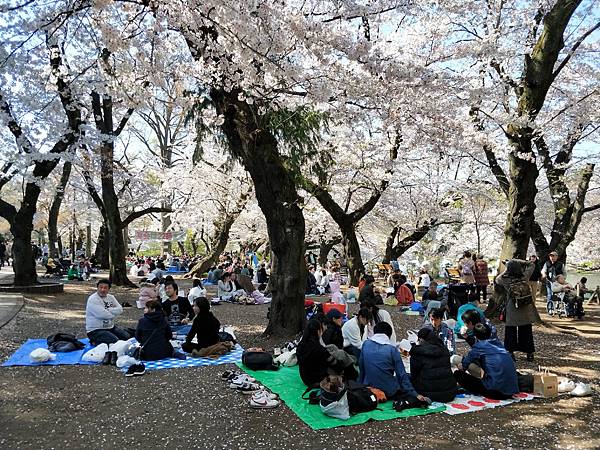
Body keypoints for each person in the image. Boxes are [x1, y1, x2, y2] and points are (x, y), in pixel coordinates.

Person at [359, 322, 426, 402]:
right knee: (409, 377)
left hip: (369, 388)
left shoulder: (366, 344)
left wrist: (361, 387)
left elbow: (361, 368)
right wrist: (415, 394)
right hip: (389, 391)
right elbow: (401, 375)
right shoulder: (392, 349)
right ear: (389, 335)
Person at [454, 323, 519, 400]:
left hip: (494, 391)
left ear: (475, 336)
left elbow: (464, 365)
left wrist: (459, 365)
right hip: (511, 390)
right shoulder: (498, 343)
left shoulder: (479, 347)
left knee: (458, 374)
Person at [496, 259, 538, 361]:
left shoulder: (505, 280)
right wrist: (519, 261)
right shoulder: (524, 277)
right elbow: (532, 264)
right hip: (525, 307)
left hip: (512, 307)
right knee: (526, 330)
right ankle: (529, 353)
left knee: (511, 330)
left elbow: (497, 279)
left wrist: (507, 266)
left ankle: (510, 352)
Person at [296, 318, 351, 387]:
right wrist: (342, 370)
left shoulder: (301, 345)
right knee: (338, 367)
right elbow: (333, 363)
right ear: (318, 331)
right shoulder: (318, 348)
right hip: (315, 380)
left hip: (304, 377)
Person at [410, 328, 457, 402]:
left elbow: (414, 374)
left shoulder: (418, 351)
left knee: (406, 378)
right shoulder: (444, 349)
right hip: (449, 392)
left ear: (421, 339)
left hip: (428, 393)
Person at [85, 279, 131, 345]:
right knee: (115, 341)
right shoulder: (93, 299)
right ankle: (94, 341)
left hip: (110, 327)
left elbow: (120, 309)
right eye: (100, 287)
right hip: (95, 330)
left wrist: (108, 310)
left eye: (105, 288)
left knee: (127, 337)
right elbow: (102, 315)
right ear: (97, 288)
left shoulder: (111, 297)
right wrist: (114, 314)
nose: (102, 290)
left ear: (108, 289)